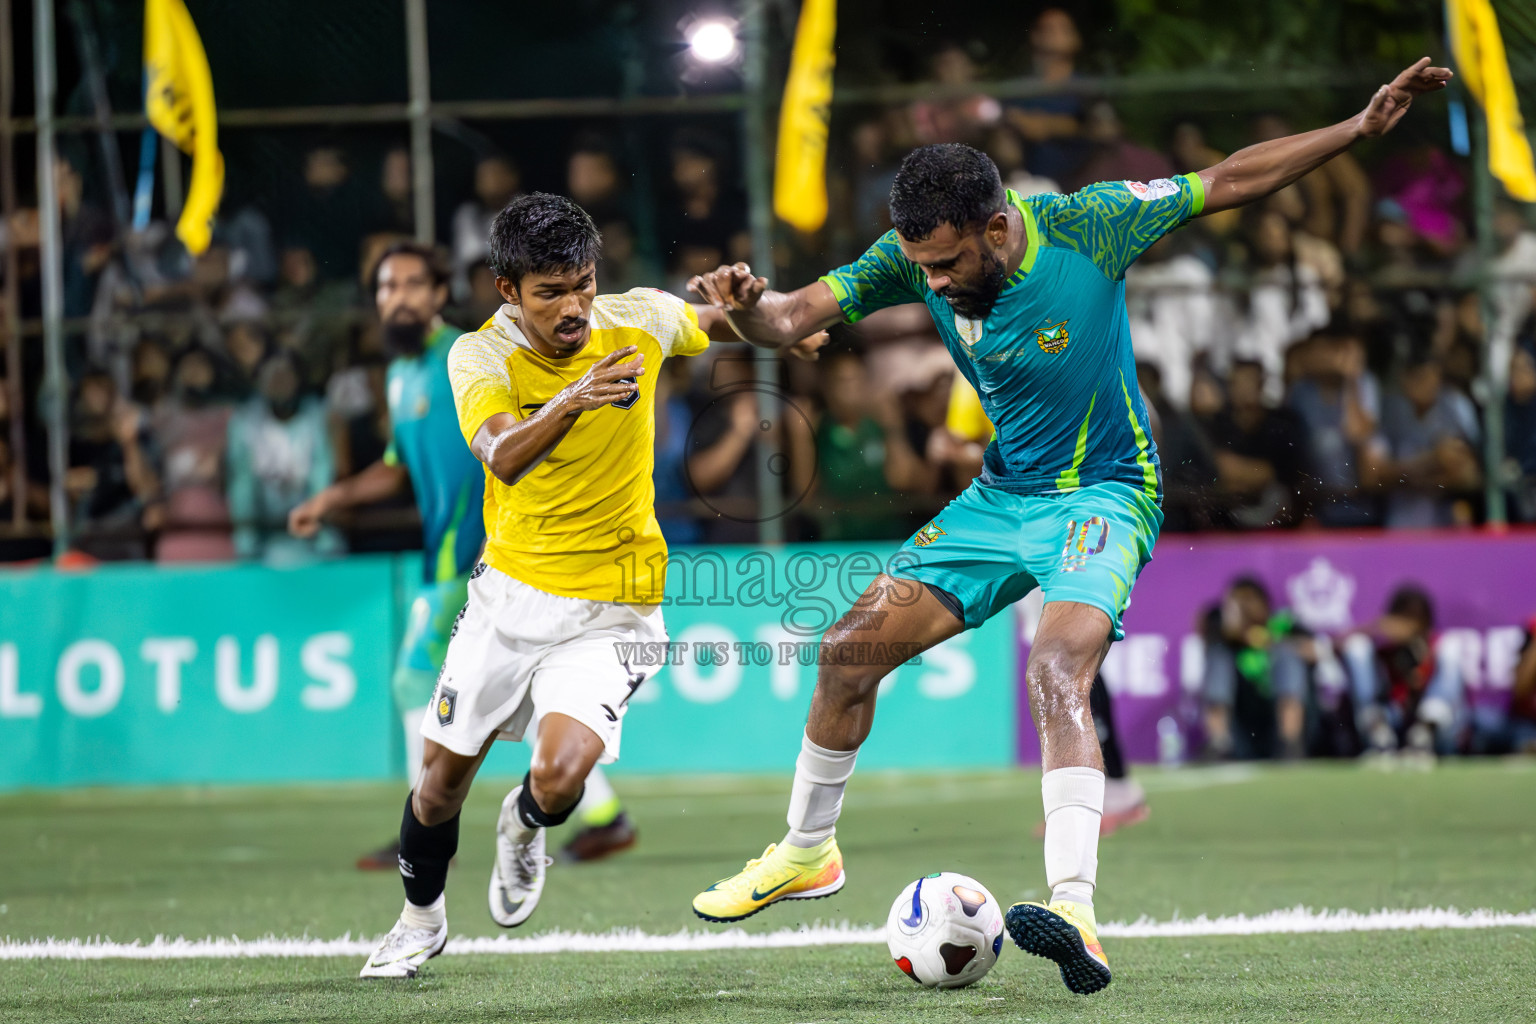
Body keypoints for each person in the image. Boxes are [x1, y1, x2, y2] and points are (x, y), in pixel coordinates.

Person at [686, 58, 1450, 995]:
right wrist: (744, 304)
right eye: (920, 266)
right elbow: (791, 315)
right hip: (1000, 497)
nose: (935, 282)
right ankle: (808, 850)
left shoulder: (1092, 223)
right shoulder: (909, 257)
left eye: (949, 263)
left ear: (996, 226)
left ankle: (1076, 910)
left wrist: (1354, 130)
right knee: (847, 650)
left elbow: (1230, 179)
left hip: (1105, 494)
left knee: (1055, 669)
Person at [355, 194, 825, 978]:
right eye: (550, 292)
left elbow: (714, 321)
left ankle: (527, 824)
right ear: (508, 290)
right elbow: (501, 455)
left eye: (583, 283)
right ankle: (419, 921)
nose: (574, 307)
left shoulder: (634, 318)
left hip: (614, 605)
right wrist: (573, 400)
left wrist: (771, 323)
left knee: (560, 774)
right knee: (437, 790)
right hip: (508, 598)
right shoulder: (477, 356)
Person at [289, 242, 640, 871]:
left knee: (413, 680)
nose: (397, 298)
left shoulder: (469, 357)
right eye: (385, 288)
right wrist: (333, 497)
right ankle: (600, 813)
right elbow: (399, 467)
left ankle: (420, 825)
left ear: (438, 293)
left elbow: (501, 455)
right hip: (448, 558)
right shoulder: (399, 374)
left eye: (411, 285)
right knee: (522, 692)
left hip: (480, 560)